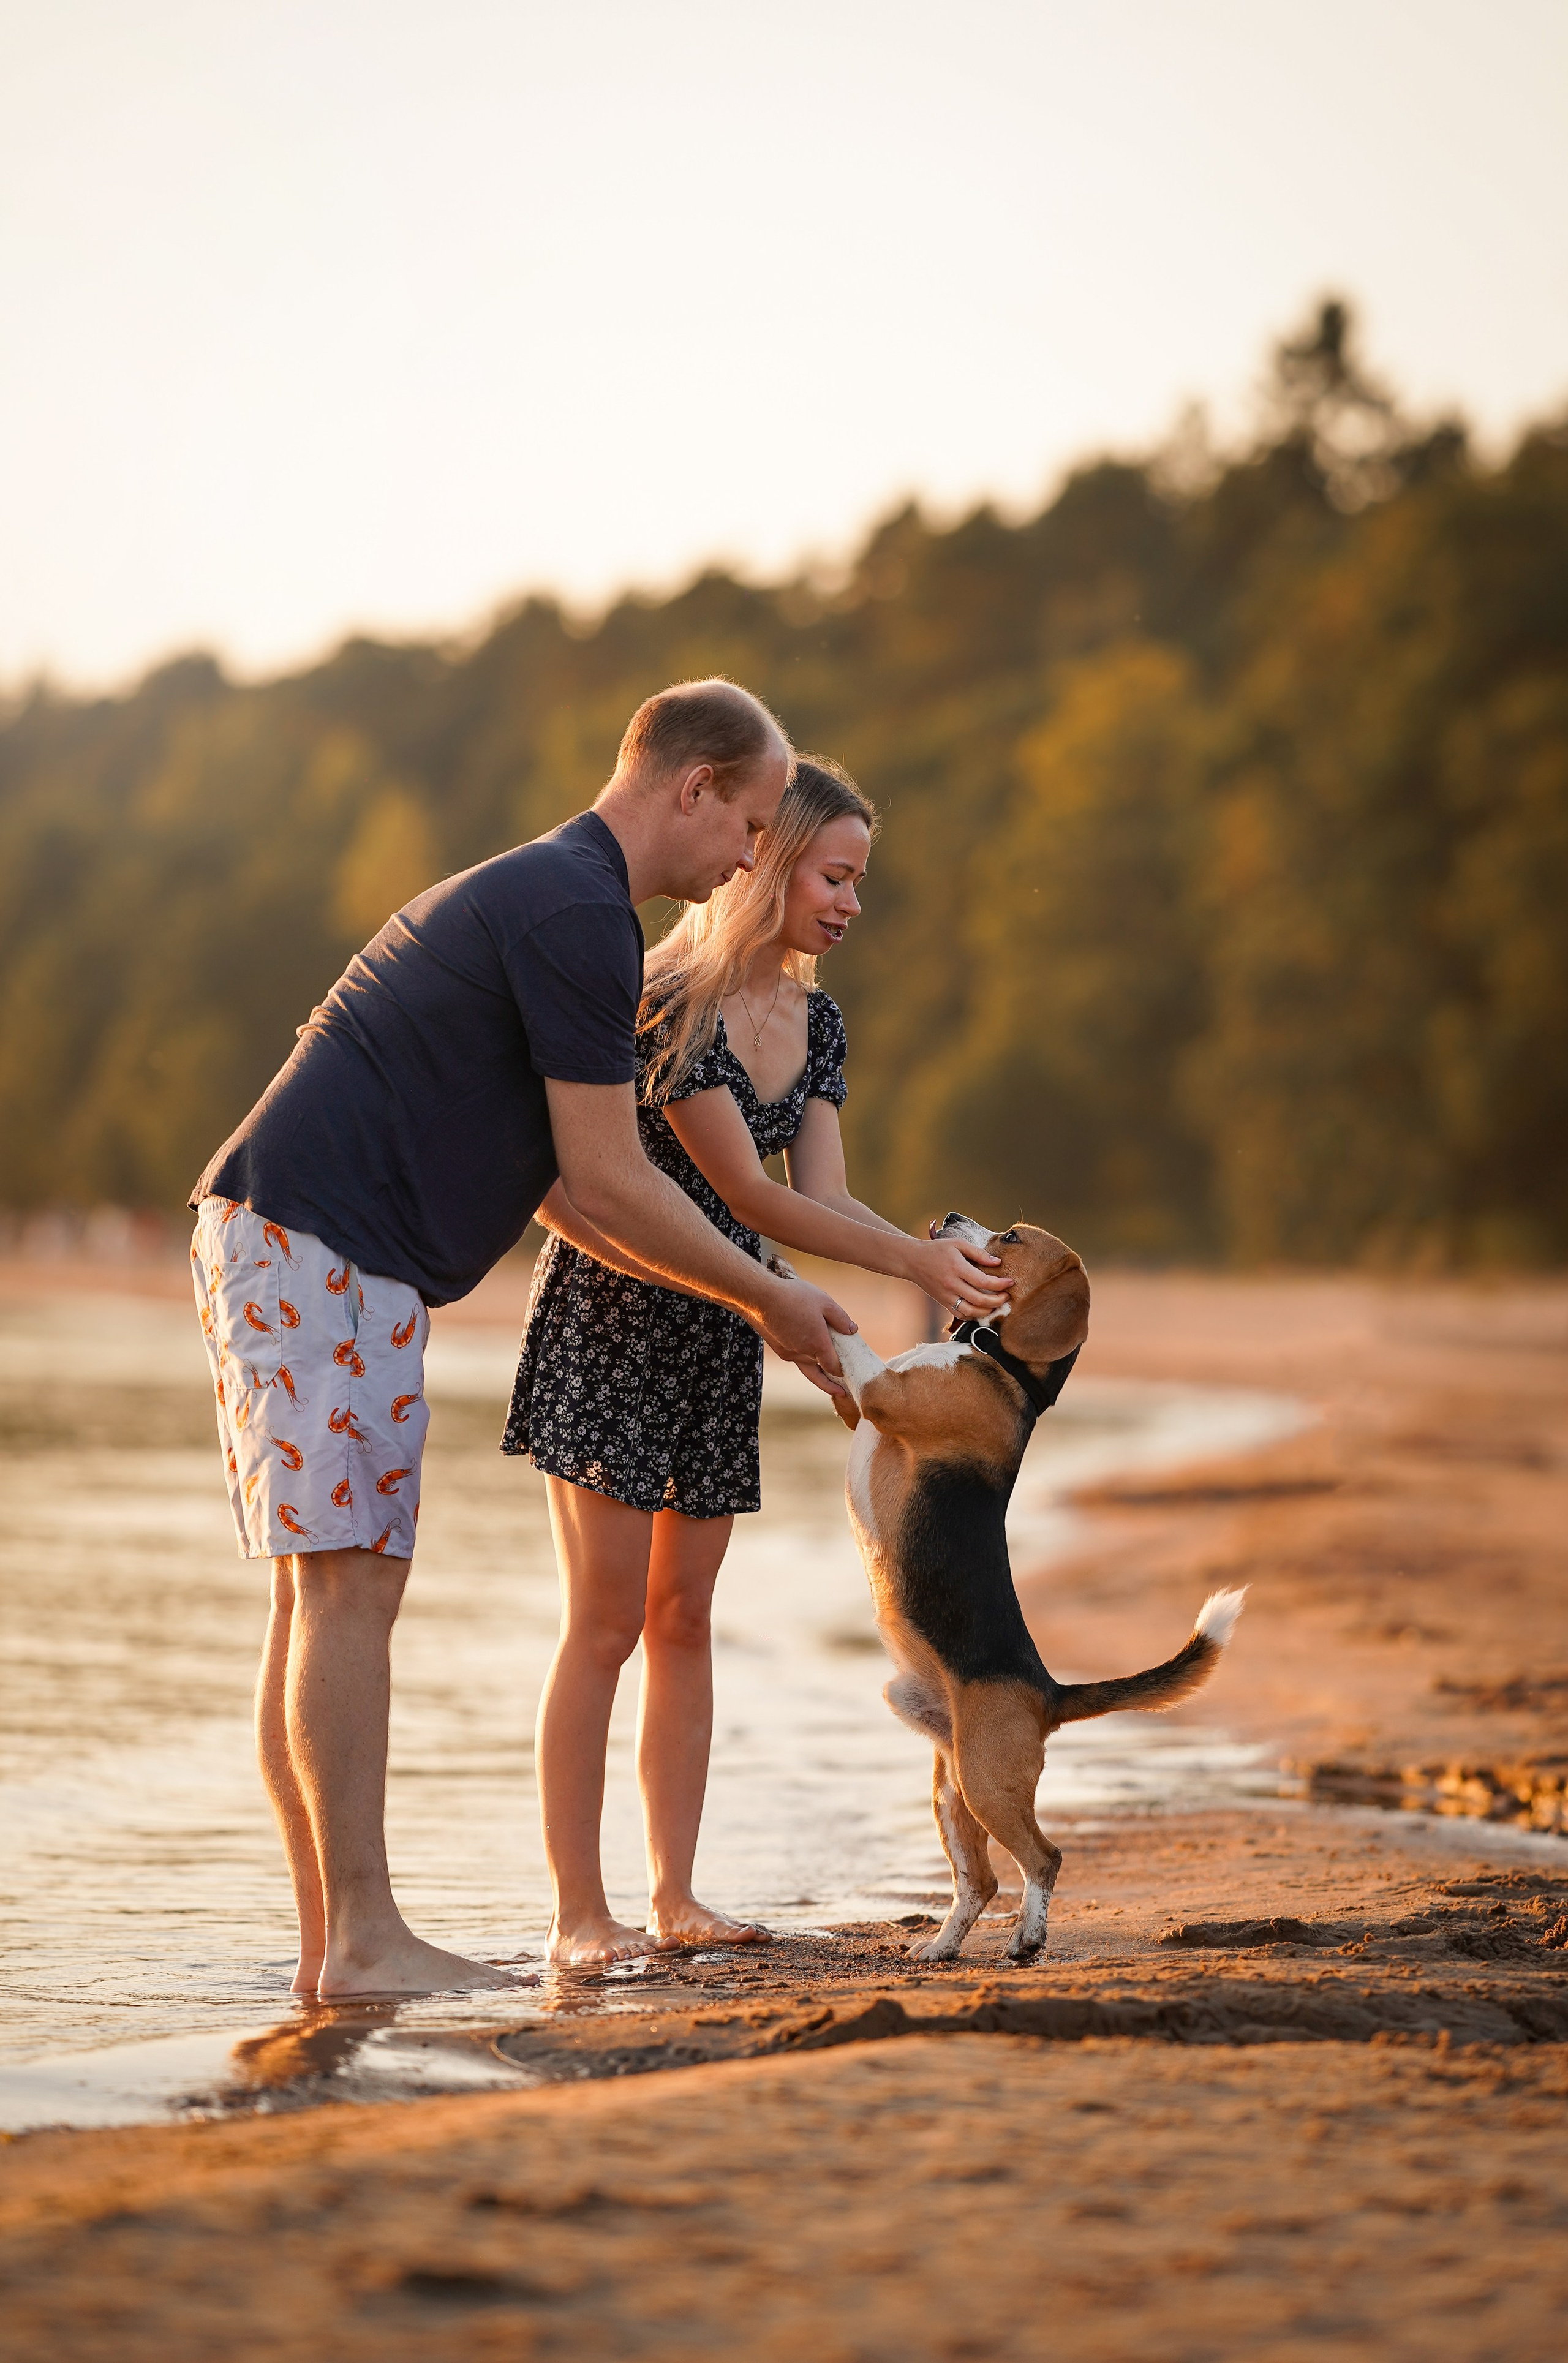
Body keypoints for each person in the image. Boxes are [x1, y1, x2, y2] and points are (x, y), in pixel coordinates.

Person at [188, 680, 861, 2000]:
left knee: (319, 1591)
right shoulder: (577, 914)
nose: (748, 855)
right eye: (750, 821)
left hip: (292, 1235)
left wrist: (751, 1300)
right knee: (346, 1589)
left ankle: (338, 1950)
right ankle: (364, 1939)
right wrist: (774, 1297)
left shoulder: (562, 901)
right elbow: (614, 1179)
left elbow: (570, 1194)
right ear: (693, 790)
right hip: (323, 1241)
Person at [504, 758, 1013, 1965]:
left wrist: (880, 1312)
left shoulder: (819, 1022)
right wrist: (912, 1268)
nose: (848, 903)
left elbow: (821, 1198)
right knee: (603, 1626)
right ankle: (582, 1918)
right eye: (832, 876)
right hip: (614, 1321)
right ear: (767, 863)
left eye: (858, 881)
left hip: (727, 1330)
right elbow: (744, 1194)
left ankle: (675, 1899)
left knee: (683, 1618)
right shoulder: (664, 997)